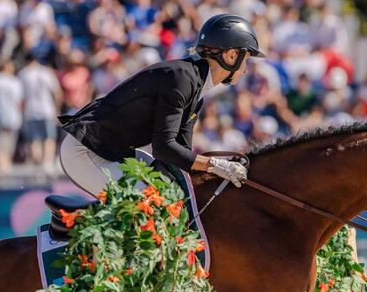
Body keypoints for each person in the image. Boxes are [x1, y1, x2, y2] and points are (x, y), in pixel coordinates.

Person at [59, 13, 265, 198]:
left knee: (175, 188)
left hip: (110, 152)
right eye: (245, 60)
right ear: (230, 56)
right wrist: (216, 166)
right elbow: (164, 148)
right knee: (151, 203)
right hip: (85, 152)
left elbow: (181, 155)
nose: (246, 70)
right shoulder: (183, 79)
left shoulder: (195, 90)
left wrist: (221, 170)